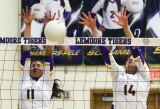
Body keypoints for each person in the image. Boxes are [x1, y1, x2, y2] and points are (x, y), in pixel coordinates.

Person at [79, 9, 150, 109]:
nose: (131, 59)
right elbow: (105, 53)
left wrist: (126, 27)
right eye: (129, 58)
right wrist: (93, 28)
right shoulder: (118, 73)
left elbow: (135, 49)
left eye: (133, 58)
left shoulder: (144, 75)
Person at [18, 6, 68, 109]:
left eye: (38, 65)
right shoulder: (25, 77)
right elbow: (26, 49)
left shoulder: (47, 81)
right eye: (33, 65)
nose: (35, 67)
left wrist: (49, 27)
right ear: (28, 68)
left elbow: (49, 52)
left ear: (44, 70)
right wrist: (28, 25)